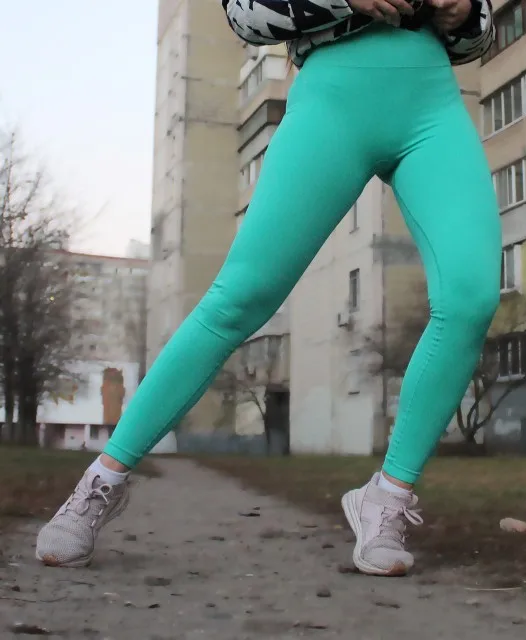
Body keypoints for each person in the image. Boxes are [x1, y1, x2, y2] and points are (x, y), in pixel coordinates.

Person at [36, 0, 500, 575]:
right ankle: (98, 484)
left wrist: (466, 13)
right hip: (332, 101)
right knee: (239, 299)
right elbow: (243, 14)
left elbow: (478, 38)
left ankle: (387, 498)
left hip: (432, 106)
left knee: (471, 297)